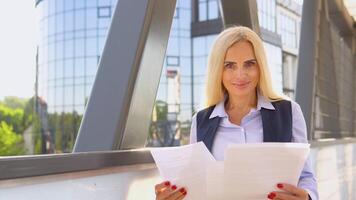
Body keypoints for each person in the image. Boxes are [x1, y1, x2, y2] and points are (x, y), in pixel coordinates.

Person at [154, 26, 318, 200]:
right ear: (219, 70)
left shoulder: (290, 112)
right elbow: (197, 185)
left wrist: (307, 197)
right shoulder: (201, 121)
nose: (240, 75)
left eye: (249, 64)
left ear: (260, 67)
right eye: (229, 65)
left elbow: (306, 177)